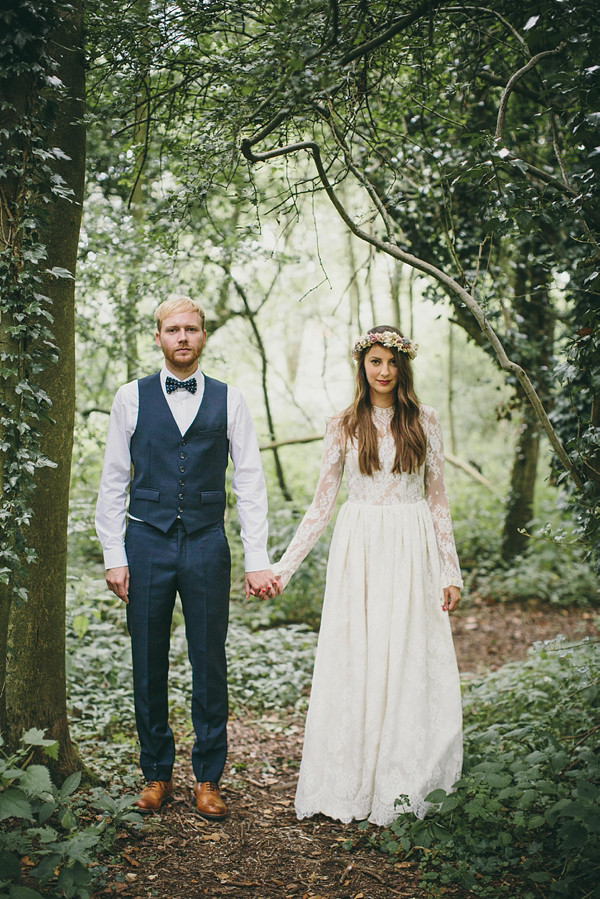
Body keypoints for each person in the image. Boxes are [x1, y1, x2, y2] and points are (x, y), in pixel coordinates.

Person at [95, 297, 280, 819]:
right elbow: (112, 482)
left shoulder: (231, 400)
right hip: (145, 543)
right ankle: (156, 772)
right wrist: (114, 554)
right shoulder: (129, 398)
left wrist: (256, 558)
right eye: (172, 329)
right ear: (158, 336)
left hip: (206, 542)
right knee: (148, 661)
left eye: (191, 329)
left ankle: (208, 778)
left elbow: (250, 482)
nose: (182, 337)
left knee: (209, 661)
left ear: (203, 337)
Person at [271, 325, 463, 827]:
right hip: (359, 549)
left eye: (392, 363)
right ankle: (349, 777)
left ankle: (403, 778)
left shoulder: (425, 420)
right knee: (358, 655)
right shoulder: (343, 424)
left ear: (404, 367)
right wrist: (283, 568)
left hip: (412, 544)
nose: (383, 371)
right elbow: (321, 505)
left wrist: (451, 569)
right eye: (375, 361)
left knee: (406, 655)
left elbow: (438, 498)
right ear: (363, 365)